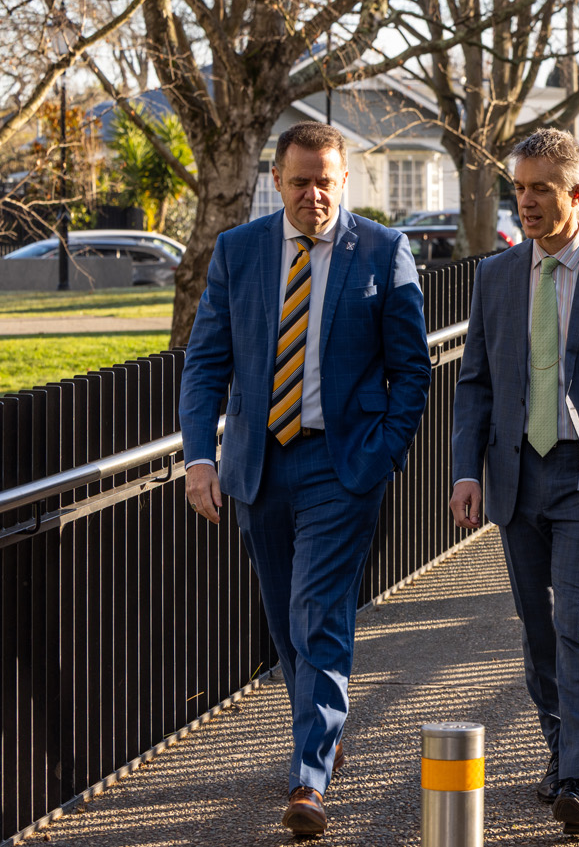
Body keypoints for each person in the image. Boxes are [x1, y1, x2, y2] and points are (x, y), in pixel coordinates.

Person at [179, 121, 431, 836]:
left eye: (326, 180)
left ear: (343, 179)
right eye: (299, 181)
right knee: (286, 622)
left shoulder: (384, 250)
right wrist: (201, 456)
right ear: (277, 181)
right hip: (259, 465)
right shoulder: (238, 251)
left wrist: (383, 453)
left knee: (317, 612)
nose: (313, 194)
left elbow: (412, 367)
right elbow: (205, 363)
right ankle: (321, 728)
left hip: (342, 463)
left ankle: (308, 778)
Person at [447, 128, 579, 837]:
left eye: (540, 189)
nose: (525, 201)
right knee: (536, 625)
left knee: (576, 619)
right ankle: (562, 750)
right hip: (517, 474)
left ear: (577, 193)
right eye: (518, 188)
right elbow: (475, 384)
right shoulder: (495, 276)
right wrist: (467, 471)